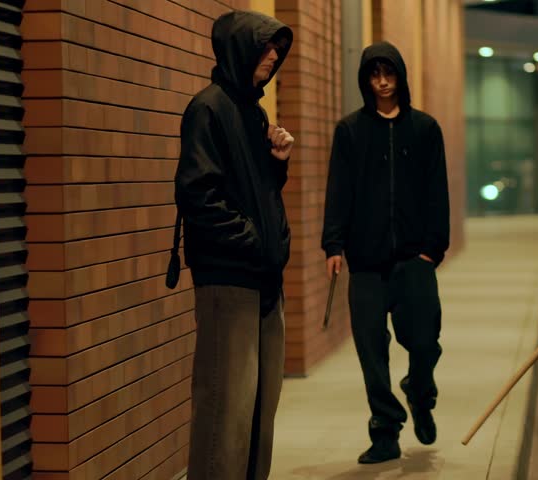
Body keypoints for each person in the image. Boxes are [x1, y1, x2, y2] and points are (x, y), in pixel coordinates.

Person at [172, 10, 294, 480]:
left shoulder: (251, 112)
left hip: (264, 280)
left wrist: (277, 162)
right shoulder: (208, 109)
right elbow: (198, 196)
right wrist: (255, 242)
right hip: (228, 281)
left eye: (277, 49)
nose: (273, 56)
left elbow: (255, 191)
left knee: (259, 412)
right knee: (226, 414)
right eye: (265, 47)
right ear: (239, 49)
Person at [322, 41, 450, 464]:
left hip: (415, 260)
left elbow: (437, 192)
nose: (382, 82)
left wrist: (433, 249)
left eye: (388, 73)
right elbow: (338, 191)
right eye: (374, 75)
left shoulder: (425, 129)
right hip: (366, 262)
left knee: (425, 341)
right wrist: (334, 244)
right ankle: (385, 431)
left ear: (400, 76)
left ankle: (420, 392)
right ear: (366, 80)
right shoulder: (350, 131)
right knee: (371, 350)